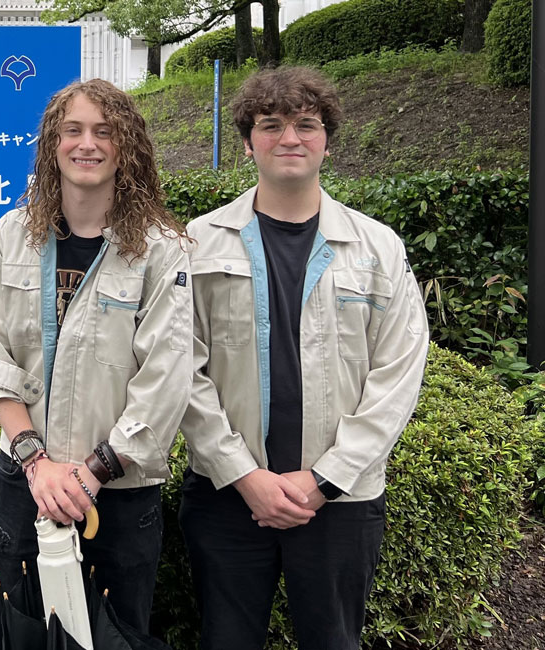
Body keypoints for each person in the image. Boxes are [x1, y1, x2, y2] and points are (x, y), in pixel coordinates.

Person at [178, 66, 430, 650]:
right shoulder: (199, 241)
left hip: (342, 503)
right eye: (271, 125)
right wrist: (245, 477)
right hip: (226, 498)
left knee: (334, 641)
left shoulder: (377, 247)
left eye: (306, 125)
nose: (289, 138)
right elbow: (179, 367)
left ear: (326, 139)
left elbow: (399, 374)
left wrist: (324, 481)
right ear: (247, 141)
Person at [0, 78, 193, 631]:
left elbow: (165, 380)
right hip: (27, 485)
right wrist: (37, 464)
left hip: (118, 494)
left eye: (103, 131)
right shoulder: (11, 235)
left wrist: (92, 473)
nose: (86, 143)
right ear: (52, 144)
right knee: (21, 631)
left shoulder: (162, 249)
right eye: (72, 130)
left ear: (127, 145)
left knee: (116, 633)